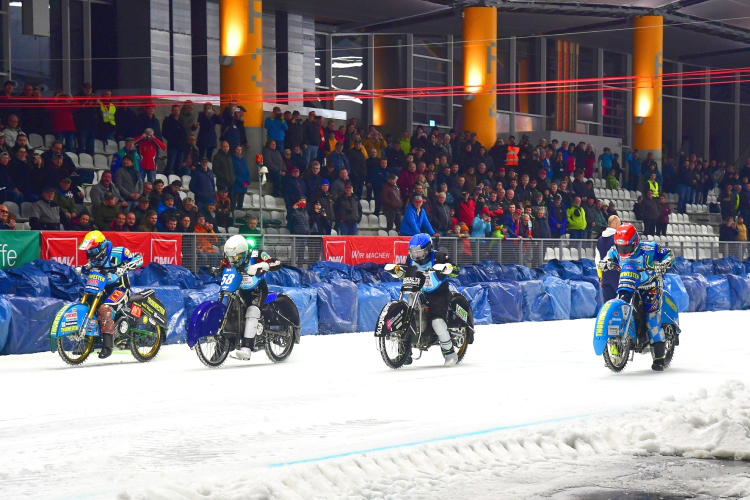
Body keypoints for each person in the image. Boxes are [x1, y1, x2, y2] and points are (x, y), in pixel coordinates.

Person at [597, 224, 675, 371]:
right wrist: (605, 263)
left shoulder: (650, 248)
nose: (623, 252)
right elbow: (608, 257)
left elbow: (669, 253)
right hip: (628, 283)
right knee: (619, 306)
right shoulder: (615, 250)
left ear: (635, 242)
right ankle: (615, 348)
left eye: (626, 248)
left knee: (652, 318)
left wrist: (664, 264)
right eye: (621, 248)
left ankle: (659, 357)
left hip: (650, 286)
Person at [385, 233, 459, 366]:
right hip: (418, 292)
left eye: (419, 253)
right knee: (407, 317)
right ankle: (404, 353)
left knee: (437, 321)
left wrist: (447, 268)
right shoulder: (410, 259)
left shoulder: (438, 257)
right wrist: (397, 270)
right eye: (414, 253)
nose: (416, 256)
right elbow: (406, 271)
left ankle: (450, 353)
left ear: (428, 249)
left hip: (438, 293)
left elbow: (455, 269)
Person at [77, 231, 144, 359]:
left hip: (120, 289)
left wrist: (125, 267)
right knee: (86, 304)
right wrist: (81, 269)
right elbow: (89, 266)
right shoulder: (96, 259)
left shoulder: (118, 253)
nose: (90, 254)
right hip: (100, 289)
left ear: (101, 247)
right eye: (88, 251)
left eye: (92, 250)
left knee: (105, 309)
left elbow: (139, 259)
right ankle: (87, 344)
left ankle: (107, 346)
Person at [222, 235, 282, 360]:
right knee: (229, 311)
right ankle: (221, 348)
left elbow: (276, 262)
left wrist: (260, 266)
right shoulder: (230, 257)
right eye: (230, 258)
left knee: (252, 311)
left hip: (257, 289)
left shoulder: (257, 254)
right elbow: (224, 265)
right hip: (239, 289)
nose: (233, 261)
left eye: (236, 257)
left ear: (243, 253)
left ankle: (247, 348)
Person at [595, 215, 621, 303]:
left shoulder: (599, 240)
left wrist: (601, 278)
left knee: (608, 304)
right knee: (623, 302)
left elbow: (597, 261)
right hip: (618, 274)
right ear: (617, 223)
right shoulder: (618, 238)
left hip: (605, 275)